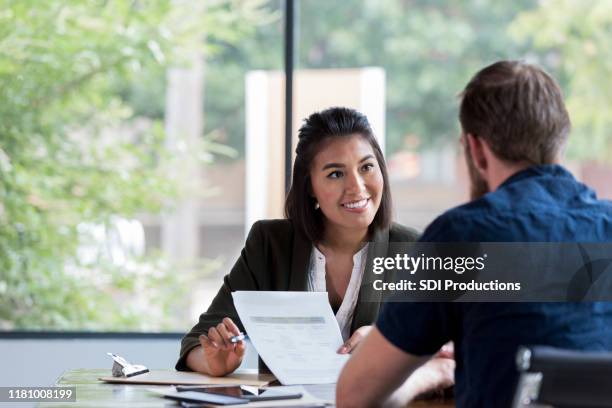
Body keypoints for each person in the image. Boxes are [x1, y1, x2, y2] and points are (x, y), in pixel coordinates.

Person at [336, 60, 612, 407]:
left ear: (477, 150)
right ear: (561, 138)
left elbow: (354, 395)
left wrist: (431, 373)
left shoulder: (462, 235)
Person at [177, 107, 435, 379]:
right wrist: (212, 361)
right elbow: (197, 341)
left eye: (366, 167)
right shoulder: (270, 245)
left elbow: (452, 349)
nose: (357, 187)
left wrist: (389, 341)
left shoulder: (415, 249)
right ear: (309, 185)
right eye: (336, 173)